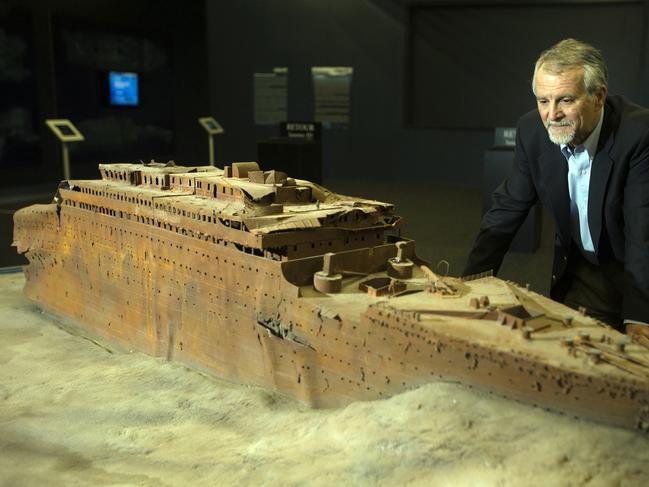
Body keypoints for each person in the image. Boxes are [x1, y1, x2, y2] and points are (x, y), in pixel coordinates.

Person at [463, 38, 649, 338]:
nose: (552, 115)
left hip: (639, 268)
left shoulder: (639, 135)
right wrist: (470, 283)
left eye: (566, 100)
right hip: (586, 271)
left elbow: (644, 233)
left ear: (598, 97)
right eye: (543, 101)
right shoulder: (532, 131)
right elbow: (507, 210)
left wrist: (641, 317)